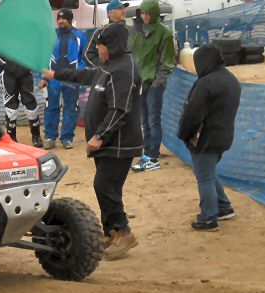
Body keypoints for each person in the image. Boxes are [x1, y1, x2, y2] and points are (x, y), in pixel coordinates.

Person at [43, 23, 143, 260]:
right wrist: (56, 74)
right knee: (108, 188)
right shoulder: (109, 66)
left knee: (105, 186)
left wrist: (99, 137)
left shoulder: (125, 70)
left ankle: (124, 232)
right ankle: (111, 232)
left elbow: (120, 109)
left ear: (112, 45)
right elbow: (85, 75)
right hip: (108, 143)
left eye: (100, 45)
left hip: (119, 142)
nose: (97, 48)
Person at [177, 43, 241, 232]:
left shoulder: (205, 83)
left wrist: (183, 133)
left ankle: (208, 218)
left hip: (204, 139)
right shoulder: (231, 79)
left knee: (203, 177)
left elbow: (192, 113)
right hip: (224, 137)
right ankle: (223, 207)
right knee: (209, 172)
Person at [130, 0, 176, 172]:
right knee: (144, 120)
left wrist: (157, 82)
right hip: (139, 83)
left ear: (155, 13)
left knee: (153, 119)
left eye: (148, 13)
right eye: (142, 13)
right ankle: (147, 153)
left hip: (155, 83)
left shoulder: (164, 33)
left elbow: (168, 62)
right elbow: (131, 54)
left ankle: (153, 156)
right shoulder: (136, 31)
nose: (144, 17)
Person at [38, 8, 88, 150]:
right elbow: (44, 58)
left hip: (72, 80)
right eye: (58, 18)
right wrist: (43, 78)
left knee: (70, 109)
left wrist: (79, 75)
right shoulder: (51, 36)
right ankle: (49, 137)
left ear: (70, 20)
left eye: (63, 18)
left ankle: (67, 138)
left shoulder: (80, 37)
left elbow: (84, 58)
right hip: (52, 79)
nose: (60, 21)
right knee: (51, 108)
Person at [0, 50, 44, 148]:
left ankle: (36, 136)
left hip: (26, 74)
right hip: (8, 75)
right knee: (10, 107)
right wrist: (5, 65)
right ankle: (11, 138)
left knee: (31, 105)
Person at [84, 0, 130, 67]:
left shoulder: (128, 30)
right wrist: (104, 67)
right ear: (110, 13)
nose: (124, 11)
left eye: (124, 8)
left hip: (127, 73)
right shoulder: (100, 32)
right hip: (109, 75)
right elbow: (87, 54)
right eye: (120, 9)